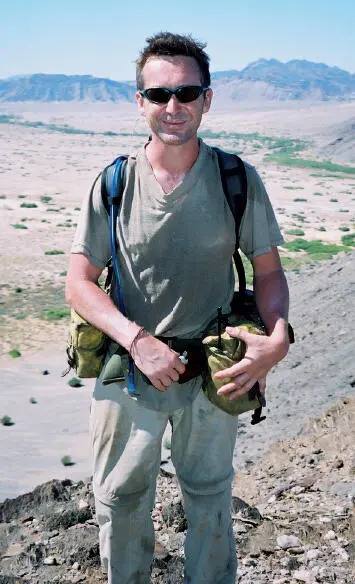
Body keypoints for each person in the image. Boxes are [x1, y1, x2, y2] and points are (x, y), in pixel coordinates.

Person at [66, 31, 290, 584]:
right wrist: (139, 342)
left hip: (214, 371)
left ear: (207, 100)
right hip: (132, 369)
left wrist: (276, 337)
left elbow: (269, 273)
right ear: (139, 101)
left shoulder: (236, 179)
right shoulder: (115, 184)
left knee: (211, 497)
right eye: (160, 94)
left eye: (187, 93)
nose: (174, 106)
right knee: (120, 498)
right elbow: (79, 283)